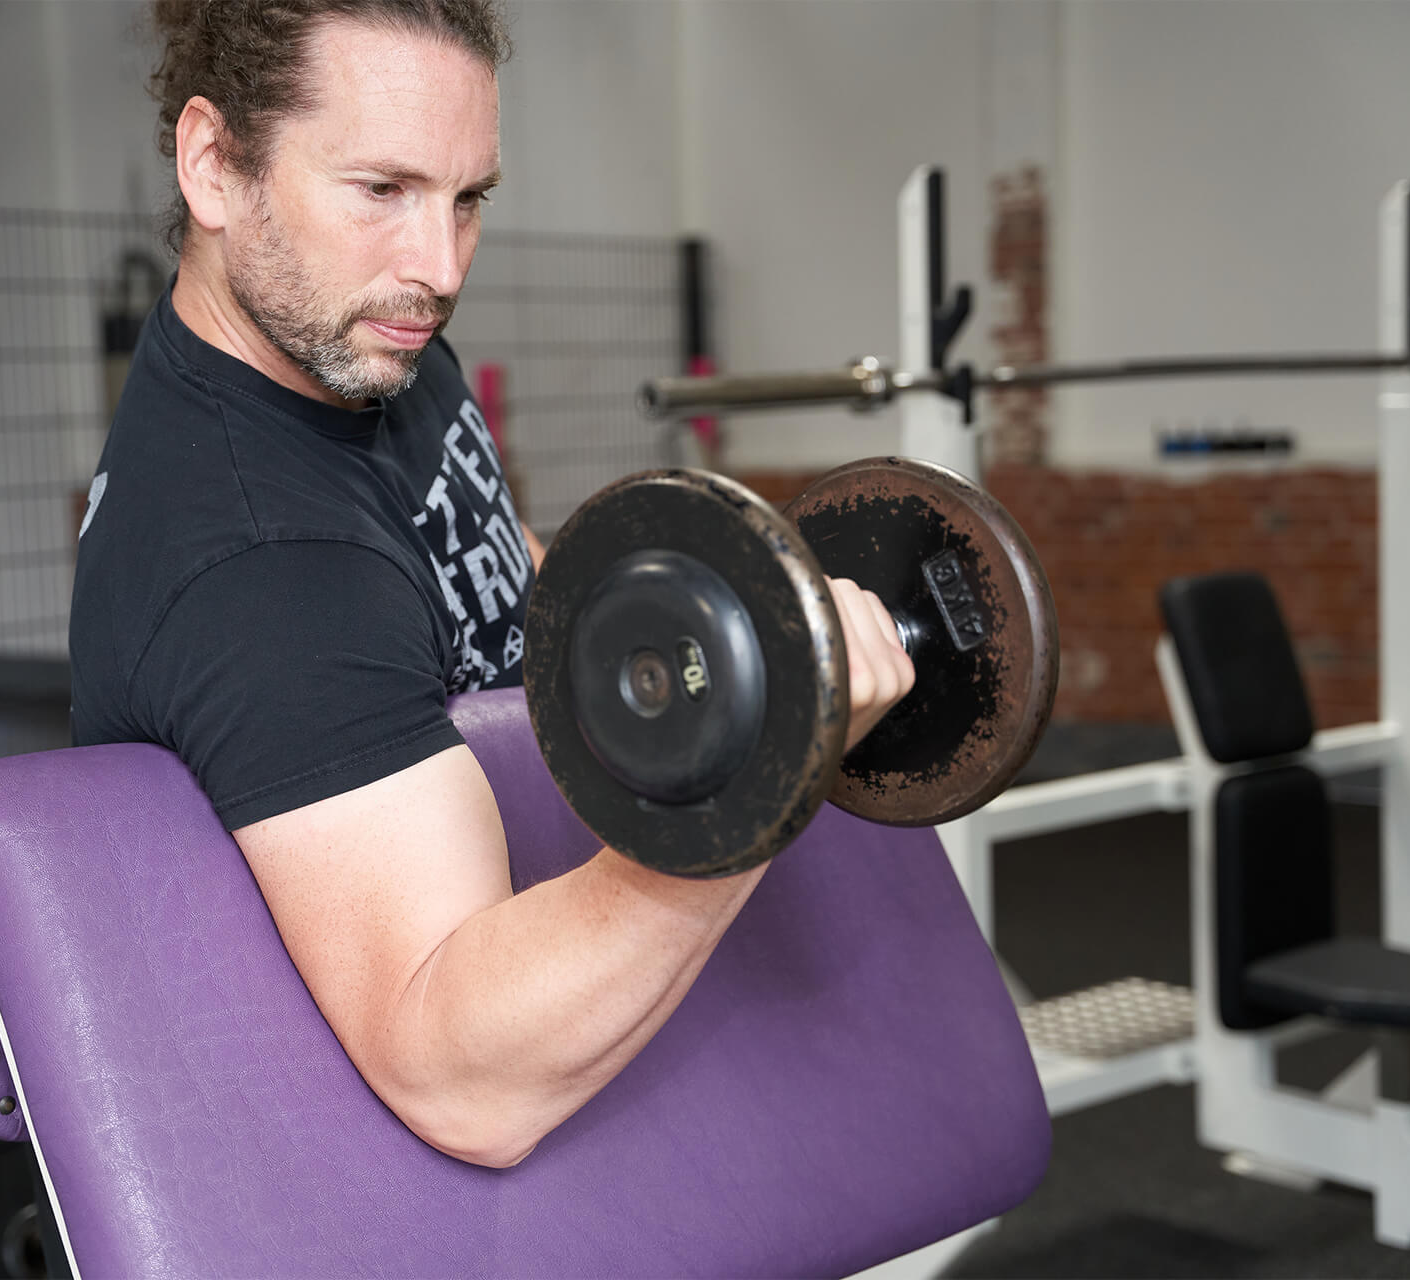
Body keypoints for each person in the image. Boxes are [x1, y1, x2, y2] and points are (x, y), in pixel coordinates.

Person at [70, 0, 915, 1170]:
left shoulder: (363, 346)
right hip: (378, 1182)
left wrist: (734, 643)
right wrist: (762, 770)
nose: (440, 267)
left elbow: (506, 583)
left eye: (467, 198)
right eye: (383, 189)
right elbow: (462, 1083)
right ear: (214, 164)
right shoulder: (262, 565)